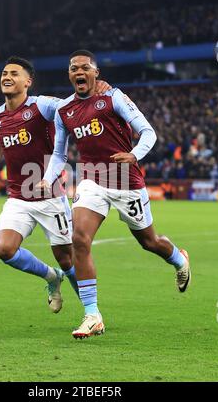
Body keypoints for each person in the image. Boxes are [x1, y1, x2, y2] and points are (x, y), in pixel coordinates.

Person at [39, 49, 191, 339]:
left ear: (96, 73)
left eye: (85, 67)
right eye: (73, 68)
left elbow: (149, 132)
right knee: (79, 239)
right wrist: (47, 179)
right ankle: (92, 315)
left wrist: (134, 155)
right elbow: (59, 154)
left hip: (126, 181)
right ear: (69, 75)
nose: (79, 72)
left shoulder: (113, 97)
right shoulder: (64, 111)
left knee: (150, 242)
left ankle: (179, 260)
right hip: (91, 181)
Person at [0, 56, 111, 313]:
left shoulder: (42, 106)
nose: (7, 77)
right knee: (5, 249)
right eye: (4, 73)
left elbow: (72, 105)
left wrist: (98, 87)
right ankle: (50, 277)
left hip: (50, 196)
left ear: (28, 82)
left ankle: (91, 312)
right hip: (18, 198)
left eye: (14, 74)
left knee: (67, 260)